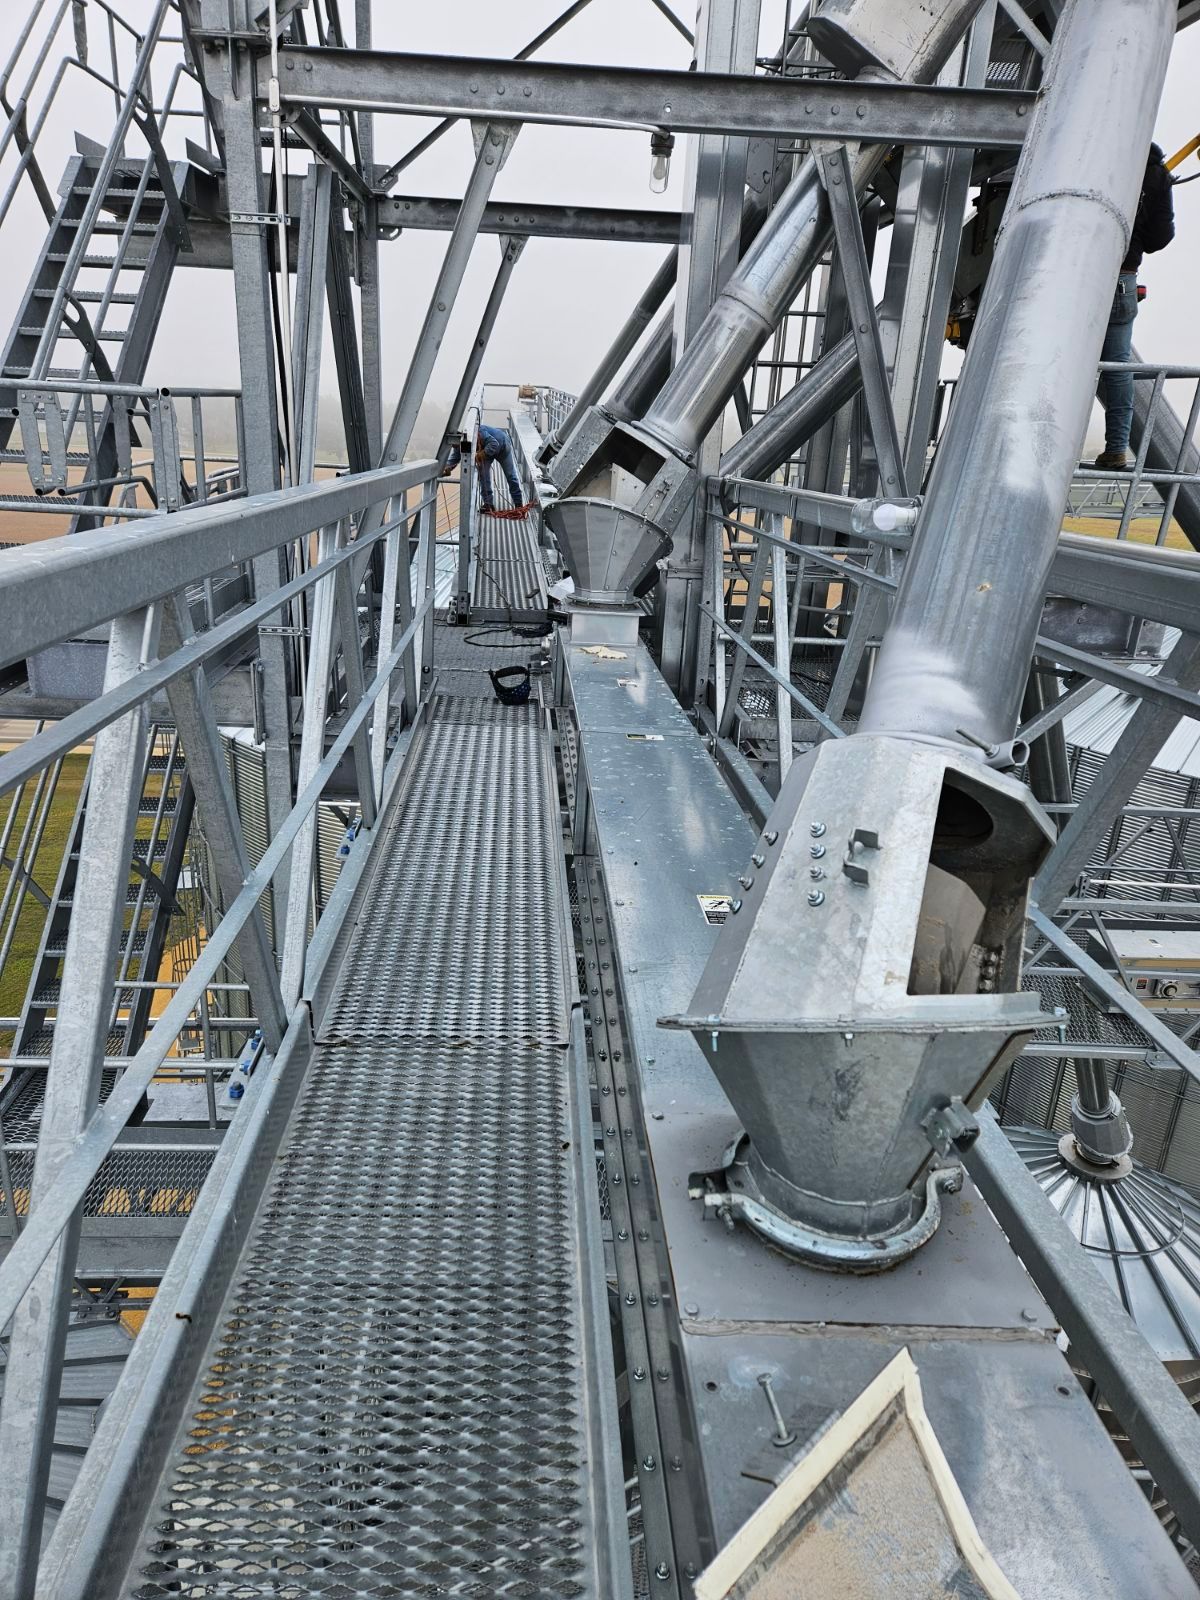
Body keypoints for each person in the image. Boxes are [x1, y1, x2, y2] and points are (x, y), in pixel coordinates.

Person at [1096, 143, 1175, 470]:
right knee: (1116, 369)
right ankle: (1116, 448)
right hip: (1122, 279)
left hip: (1071, 274)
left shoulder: (1094, 153)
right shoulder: (1155, 172)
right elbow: (1159, 237)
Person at [474, 423, 529, 516]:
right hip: (486, 449)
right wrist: (448, 467)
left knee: (511, 475)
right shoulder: (462, 440)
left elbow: (494, 443)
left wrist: (481, 454)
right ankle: (488, 504)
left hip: (502, 446)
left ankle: (518, 505)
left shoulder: (480, 432)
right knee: (483, 474)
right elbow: (457, 456)